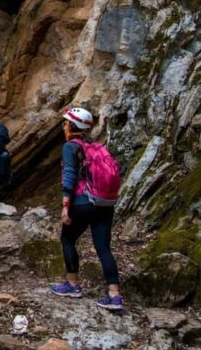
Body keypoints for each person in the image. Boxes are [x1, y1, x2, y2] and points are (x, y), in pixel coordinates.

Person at [50, 107, 123, 311]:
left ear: (72, 126)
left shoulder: (71, 146)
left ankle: (72, 285)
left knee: (67, 239)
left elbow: (70, 176)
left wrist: (65, 205)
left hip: (83, 201)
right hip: (105, 203)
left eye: (65, 123)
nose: (63, 126)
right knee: (103, 247)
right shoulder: (97, 146)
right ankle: (114, 295)